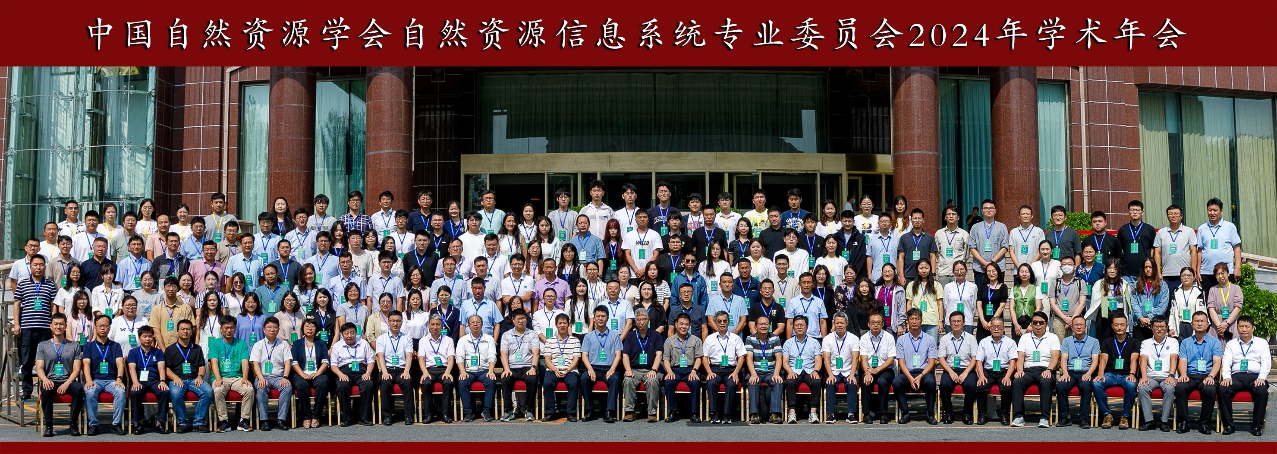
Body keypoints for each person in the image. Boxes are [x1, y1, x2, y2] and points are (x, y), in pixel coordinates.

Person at [14, 253, 58, 401]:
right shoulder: (23, 284)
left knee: (45, 360)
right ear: (31, 266)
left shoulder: (50, 284)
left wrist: (53, 325)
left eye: (41, 265)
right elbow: (17, 304)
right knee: (26, 360)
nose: (38, 267)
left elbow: (53, 307)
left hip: (44, 328)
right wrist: (17, 324)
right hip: (27, 327)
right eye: (35, 264)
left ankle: (45, 389)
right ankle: (27, 390)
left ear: (45, 266)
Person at [1218, 316, 1270, 436]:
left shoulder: (1262, 343)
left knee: (1261, 391)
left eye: (1247, 326)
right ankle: (1229, 425)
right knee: (1223, 389)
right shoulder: (1231, 344)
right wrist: (1226, 377)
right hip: (1236, 376)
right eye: (1241, 326)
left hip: (1255, 376)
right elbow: (1226, 361)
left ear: (1253, 328)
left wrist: (1261, 377)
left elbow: (1266, 362)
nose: (1244, 329)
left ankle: (1257, 426)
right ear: (1237, 328)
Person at [35, 313, 85, 437]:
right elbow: (39, 368)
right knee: (46, 390)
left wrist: (66, 384)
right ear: (51, 326)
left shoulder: (74, 345)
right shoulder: (42, 346)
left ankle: (73, 424)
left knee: (79, 388)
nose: (58, 327)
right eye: (56, 324)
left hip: (68, 380)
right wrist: (45, 379)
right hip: (50, 380)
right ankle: (49, 425)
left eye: (61, 324)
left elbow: (77, 369)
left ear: (65, 326)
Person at [1173, 311, 1222, 434]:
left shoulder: (1215, 342)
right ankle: (1183, 422)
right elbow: (1182, 361)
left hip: (1207, 375)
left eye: (1202, 321)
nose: (1199, 324)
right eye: (1197, 321)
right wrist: (1183, 374)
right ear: (1192, 324)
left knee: (1209, 389)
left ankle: (1204, 423)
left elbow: (1217, 362)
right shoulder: (1185, 342)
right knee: (1180, 387)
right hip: (1190, 375)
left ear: (1208, 324)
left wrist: (1211, 376)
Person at [81, 314, 127, 435]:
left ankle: (116, 424)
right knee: (90, 392)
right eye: (100, 326)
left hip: (112, 380)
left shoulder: (115, 346)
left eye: (105, 326)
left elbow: (120, 364)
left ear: (109, 328)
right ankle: (93, 424)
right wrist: (88, 380)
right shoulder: (88, 346)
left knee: (121, 392)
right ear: (95, 327)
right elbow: (86, 364)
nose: (102, 328)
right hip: (95, 380)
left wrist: (119, 379)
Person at [1012, 311, 1059, 428]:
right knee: (1017, 381)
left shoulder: (1052, 337)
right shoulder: (1025, 337)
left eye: (1041, 323)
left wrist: (1049, 370)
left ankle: (1044, 417)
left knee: (1046, 382)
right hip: (1028, 370)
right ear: (1031, 324)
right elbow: (1020, 356)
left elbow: (1055, 357)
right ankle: (1018, 416)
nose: (1038, 325)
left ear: (1046, 324)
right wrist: (1019, 370)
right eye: (1035, 322)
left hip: (1045, 369)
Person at [164, 319, 212, 433]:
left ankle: (199, 422)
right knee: (176, 394)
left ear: (191, 331)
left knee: (208, 391)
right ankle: (182, 423)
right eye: (182, 329)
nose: (185, 331)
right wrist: (175, 378)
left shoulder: (197, 348)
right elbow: (167, 370)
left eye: (188, 329)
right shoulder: (170, 349)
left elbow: (202, 366)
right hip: (177, 380)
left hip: (194, 379)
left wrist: (200, 376)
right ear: (177, 331)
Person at [208, 316, 254, 432]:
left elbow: (245, 362)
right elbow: (214, 362)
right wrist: (218, 379)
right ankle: (224, 421)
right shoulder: (215, 343)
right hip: (221, 377)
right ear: (221, 329)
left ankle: (243, 420)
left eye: (231, 328)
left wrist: (245, 378)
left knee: (249, 389)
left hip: (238, 378)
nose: (229, 330)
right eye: (226, 328)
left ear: (235, 328)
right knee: (218, 390)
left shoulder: (241, 343)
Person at [1093, 314, 1139, 429]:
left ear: (1127, 325)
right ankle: (1106, 415)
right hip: (1110, 374)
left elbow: (1134, 359)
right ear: (1112, 326)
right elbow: (1103, 359)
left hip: (1126, 374)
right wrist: (1100, 374)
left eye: (1122, 325)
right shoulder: (1107, 342)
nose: (1119, 327)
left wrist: (1132, 374)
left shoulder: (1134, 342)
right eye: (1116, 325)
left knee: (1131, 385)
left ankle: (1125, 416)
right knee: (1097, 383)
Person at [892, 308, 937, 425]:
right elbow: (901, 362)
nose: (914, 321)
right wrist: (911, 378)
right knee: (897, 382)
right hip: (908, 372)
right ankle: (905, 412)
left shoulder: (930, 339)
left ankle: (930, 413)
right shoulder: (901, 339)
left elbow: (931, 362)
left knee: (931, 382)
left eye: (917, 319)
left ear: (921, 320)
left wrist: (920, 376)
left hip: (924, 372)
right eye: (912, 319)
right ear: (908, 321)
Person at [579, 306, 623, 422]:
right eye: (598, 316)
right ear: (594, 318)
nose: (600, 318)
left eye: (603, 316)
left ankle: (609, 411)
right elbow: (584, 355)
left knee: (615, 379)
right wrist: (590, 369)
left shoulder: (615, 335)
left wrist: (612, 369)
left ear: (607, 318)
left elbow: (618, 355)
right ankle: (590, 410)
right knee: (584, 379)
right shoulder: (588, 336)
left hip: (609, 368)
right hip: (593, 368)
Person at [702, 310, 746, 424]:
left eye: (724, 321)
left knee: (731, 384)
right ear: (715, 323)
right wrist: (709, 372)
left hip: (731, 370)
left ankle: (727, 414)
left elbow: (742, 356)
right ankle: (715, 413)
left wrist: (736, 372)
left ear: (728, 322)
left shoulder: (735, 338)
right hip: (715, 369)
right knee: (711, 383)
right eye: (719, 321)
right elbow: (704, 357)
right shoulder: (710, 338)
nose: (722, 323)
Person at [1135, 316, 1178, 431]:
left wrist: (1171, 375)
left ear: (1167, 328)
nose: (1159, 329)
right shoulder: (1146, 343)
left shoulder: (1173, 342)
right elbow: (1143, 359)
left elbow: (1174, 358)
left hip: (1167, 376)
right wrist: (1144, 376)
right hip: (1151, 376)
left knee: (1169, 388)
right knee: (1143, 387)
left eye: (1162, 326)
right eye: (1156, 326)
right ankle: (1149, 421)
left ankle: (1164, 421)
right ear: (1151, 328)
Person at [249, 317, 293, 431]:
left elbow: (287, 362)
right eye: (269, 327)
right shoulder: (258, 345)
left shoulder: (284, 344)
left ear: (278, 329)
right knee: (261, 388)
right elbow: (255, 364)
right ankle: (264, 420)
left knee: (287, 387)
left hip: (279, 377)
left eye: (275, 327)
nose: (272, 329)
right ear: (264, 330)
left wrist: (285, 377)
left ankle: (281, 419)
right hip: (263, 376)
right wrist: (260, 378)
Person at [620, 309, 664, 422]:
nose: (641, 322)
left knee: (652, 381)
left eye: (644, 319)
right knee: (628, 380)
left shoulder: (656, 335)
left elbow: (659, 354)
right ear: (635, 321)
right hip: (635, 370)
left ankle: (652, 412)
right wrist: (628, 369)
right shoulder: (630, 336)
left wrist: (654, 370)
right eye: (639, 320)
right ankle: (629, 412)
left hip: (652, 369)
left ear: (648, 320)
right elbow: (625, 355)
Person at [1056, 316, 1099, 428]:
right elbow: (1064, 358)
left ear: (1085, 327)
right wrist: (1065, 373)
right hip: (1070, 372)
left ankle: (1084, 419)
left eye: (1081, 325)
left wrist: (1089, 373)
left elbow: (1095, 360)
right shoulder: (1067, 341)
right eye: (1076, 325)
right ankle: (1064, 417)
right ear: (1072, 327)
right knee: (1061, 386)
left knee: (1085, 386)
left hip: (1086, 372)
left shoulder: (1094, 341)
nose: (1079, 327)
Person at [127, 325, 170, 434]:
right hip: (139, 380)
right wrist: (135, 382)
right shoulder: (133, 352)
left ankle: (160, 423)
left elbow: (161, 367)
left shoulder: (158, 352)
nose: (147, 339)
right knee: (135, 392)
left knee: (164, 391)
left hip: (154, 380)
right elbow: (132, 368)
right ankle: (139, 423)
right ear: (139, 338)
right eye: (144, 336)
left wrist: (162, 381)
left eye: (150, 336)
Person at [330, 322, 375, 426]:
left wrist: (368, 373)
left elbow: (371, 361)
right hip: (344, 371)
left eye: (352, 332)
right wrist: (340, 374)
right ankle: (346, 418)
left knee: (368, 385)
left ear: (356, 333)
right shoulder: (337, 346)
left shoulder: (363, 343)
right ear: (342, 334)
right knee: (342, 386)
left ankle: (364, 417)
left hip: (361, 371)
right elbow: (333, 365)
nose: (349, 336)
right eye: (346, 333)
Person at [937, 311, 978, 425]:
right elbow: (941, 358)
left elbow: (974, 358)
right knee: (944, 385)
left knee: (970, 385)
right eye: (953, 321)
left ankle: (967, 414)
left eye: (958, 321)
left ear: (964, 323)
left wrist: (965, 373)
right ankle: (949, 414)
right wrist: (951, 372)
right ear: (950, 323)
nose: (956, 323)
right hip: (950, 369)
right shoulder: (945, 339)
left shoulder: (971, 338)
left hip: (967, 369)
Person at [498, 309, 539, 422]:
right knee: (505, 379)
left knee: (532, 379)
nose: (521, 321)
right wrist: (506, 369)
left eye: (523, 318)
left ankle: (529, 410)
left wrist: (533, 368)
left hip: (527, 366)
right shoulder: (506, 335)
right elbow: (504, 354)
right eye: (519, 318)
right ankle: (508, 411)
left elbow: (536, 353)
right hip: (512, 367)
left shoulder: (533, 334)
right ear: (513, 320)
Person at [974, 317, 1016, 425]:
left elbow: (1012, 362)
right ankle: (982, 415)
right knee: (981, 387)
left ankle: (1004, 414)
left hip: (1004, 371)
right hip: (989, 371)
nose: (996, 329)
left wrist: (1007, 376)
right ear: (990, 328)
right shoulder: (984, 342)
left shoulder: (1010, 342)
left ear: (1003, 328)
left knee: (1007, 387)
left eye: (999, 327)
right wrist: (981, 376)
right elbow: (978, 361)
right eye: (994, 327)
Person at [662, 313, 703, 422]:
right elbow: (666, 358)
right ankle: (672, 411)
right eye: (681, 324)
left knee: (695, 382)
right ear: (676, 325)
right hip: (674, 369)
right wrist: (669, 372)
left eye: (686, 324)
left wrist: (694, 371)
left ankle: (694, 413)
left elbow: (699, 358)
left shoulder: (696, 340)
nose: (683, 327)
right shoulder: (669, 341)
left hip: (690, 369)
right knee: (668, 382)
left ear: (689, 326)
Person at [455, 314, 497, 422]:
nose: (475, 325)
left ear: (482, 324)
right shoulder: (463, 340)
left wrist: (491, 371)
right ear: (468, 325)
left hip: (484, 370)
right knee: (462, 382)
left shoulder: (489, 339)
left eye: (478, 322)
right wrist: (462, 371)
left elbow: (492, 356)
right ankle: (468, 412)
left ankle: (486, 411)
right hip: (469, 371)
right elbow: (459, 357)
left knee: (491, 381)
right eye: (472, 323)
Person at [541, 313, 583, 421]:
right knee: (547, 383)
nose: (562, 325)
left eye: (564, 323)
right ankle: (550, 412)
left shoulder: (575, 341)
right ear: (556, 325)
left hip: (570, 369)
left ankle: (571, 413)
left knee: (573, 383)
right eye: (560, 323)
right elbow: (547, 359)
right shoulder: (549, 341)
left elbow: (576, 359)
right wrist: (555, 369)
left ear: (568, 325)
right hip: (553, 369)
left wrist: (567, 370)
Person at [781, 315, 822, 424]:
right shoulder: (788, 343)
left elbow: (818, 359)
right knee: (790, 382)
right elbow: (785, 361)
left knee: (816, 382)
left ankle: (813, 412)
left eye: (802, 325)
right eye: (797, 325)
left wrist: (816, 371)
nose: (799, 327)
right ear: (793, 327)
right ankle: (792, 412)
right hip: (794, 370)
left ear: (807, 327)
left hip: (809, 370)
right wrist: (789, 371)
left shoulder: (814, 342)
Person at [417, 315, 457, 424]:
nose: (435, 327)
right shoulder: (423, 341)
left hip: (444, 369)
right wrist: (425, 372)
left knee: (448, 383)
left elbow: (451, 358)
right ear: (429, 325)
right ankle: (429, 414)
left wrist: (448, 372)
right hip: (429, 369)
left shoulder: (448, 340)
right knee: (426, 383)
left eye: (437, 324)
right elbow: (421, 359)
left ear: (442, 326)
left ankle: (445, 414)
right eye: (432, 324)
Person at [821, 312, 860, 424]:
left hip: (848, 370)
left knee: (852, 383)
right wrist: (830, 375)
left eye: (842, 323)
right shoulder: (827, 339)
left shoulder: (853, 338)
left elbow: (855, 358)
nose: (839, 325)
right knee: (830, 383)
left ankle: (851, 414)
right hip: (833, 371)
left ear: (846, 323)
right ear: (833, 323)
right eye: (837, 323)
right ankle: (831, 414)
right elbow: (826, 359)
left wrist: (852, 375)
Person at [290, 319, 330, 429]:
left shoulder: (321, 343)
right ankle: (306, 416)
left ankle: (316, 416)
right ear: (302, 329)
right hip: (301, 373)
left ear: (316, 329)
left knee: (322, 383)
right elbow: (294, 362)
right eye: (307, 326)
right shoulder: (297, 343)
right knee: (301, 385)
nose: (310, 329)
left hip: (318, 373)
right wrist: (302, 374)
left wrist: (318, 373)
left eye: (312, 326)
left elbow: (325, 361)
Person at [1196, 198, 1242, 291]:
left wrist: (1237, 267)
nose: (1212, 213)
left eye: (1215, 210)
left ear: (1221, 211)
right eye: (1210, 210)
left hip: (1225, 272)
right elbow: (1199, 251)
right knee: (1209, 298)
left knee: (1226, 298)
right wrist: (1198, 270)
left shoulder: (1230, 227)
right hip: (1206, 272)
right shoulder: (1202, 228)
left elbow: (1237, 248)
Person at [968, 200, 1009, 288]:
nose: (988, 210)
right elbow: (972, 247)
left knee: (997, 293)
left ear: (995, 211)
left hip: (998, 267)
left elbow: (1005, 247)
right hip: (980, 268)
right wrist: (983, 262)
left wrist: (992, 262)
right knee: (981, 293)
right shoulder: (975, 227)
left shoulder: (1002, 227)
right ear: (982, 211)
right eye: (986, 208)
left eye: (991, 208)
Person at [1206, 263, 1243, 341]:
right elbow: (1211, 309)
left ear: (1228, 273)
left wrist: (1227, 323)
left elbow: (1237, 308)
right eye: (1218, 274)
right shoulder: (1212, 290)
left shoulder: (1236, 288)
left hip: (1232, 323)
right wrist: (1219, 326)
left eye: (1222, 273)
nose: (1220, 276)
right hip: (1217, 325)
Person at [1168, 267, 1205, 340]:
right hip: (1180, 324)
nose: (1186, 277)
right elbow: (1172, 312)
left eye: (1188, 275)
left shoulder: (1199, 292)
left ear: (1194, 277)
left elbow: (1203, 310)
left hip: (1193, 324)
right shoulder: (1175, 292)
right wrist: (1171, 327)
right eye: (1183, 275)